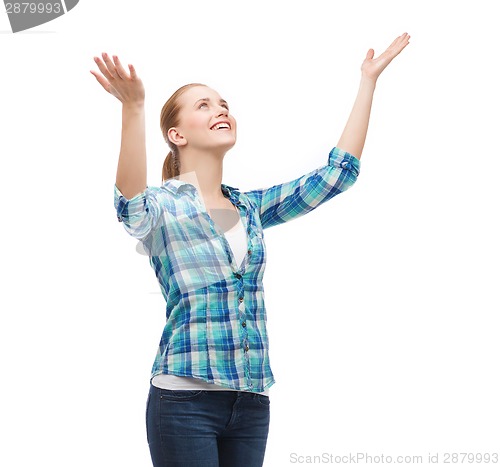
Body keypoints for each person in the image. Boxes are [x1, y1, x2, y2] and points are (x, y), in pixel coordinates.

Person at [90, 32, 410, 467]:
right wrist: (133, 108)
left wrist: (368, 81)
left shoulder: (250, 208)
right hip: (184, 402)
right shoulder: (164, 207)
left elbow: (338, 175)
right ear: (176, 134)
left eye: (223, 103)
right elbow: (129, 207)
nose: (221, 109)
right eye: (204, 105)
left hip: (251, 402)